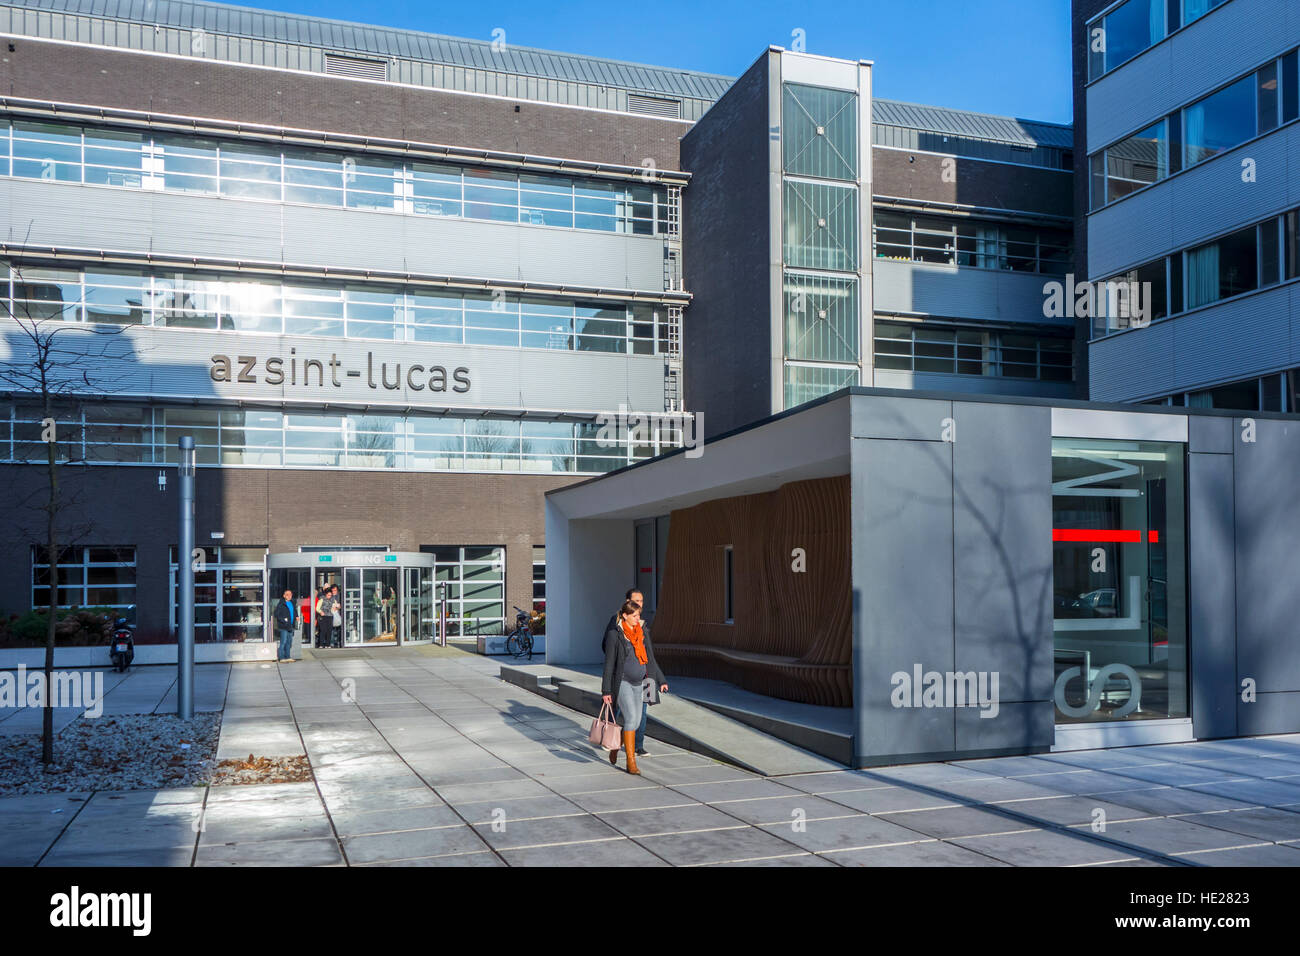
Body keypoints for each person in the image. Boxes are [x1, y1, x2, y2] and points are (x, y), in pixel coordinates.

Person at [601, 600, 667, 775]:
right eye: (635, 616)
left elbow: (651, 659)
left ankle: (616, 747)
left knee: (636, 722)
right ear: (625, 615)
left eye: (639, 615)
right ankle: (631, 762)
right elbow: (608, 665)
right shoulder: (615, 635)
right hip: (623, 682)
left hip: (643, 682)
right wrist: (606, 691)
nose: (638, 619)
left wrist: (661, 680)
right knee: (630, 718)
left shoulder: (643, 632)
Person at [602, 589, 652, 756]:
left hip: (644, 678)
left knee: (641, 713)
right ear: (627, 602)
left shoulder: (643, 626)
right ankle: (618, 747)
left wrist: (658, 678)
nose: (639, 603)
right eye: (636, 600)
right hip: (623, 678)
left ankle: (638, 744)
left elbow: (649, 655)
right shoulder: (615, 623)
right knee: (622, 711)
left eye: (642, 601)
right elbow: (608, 648)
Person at [273, 588, 296, 663]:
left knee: (289, 642)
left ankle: (288, 656)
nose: (289, 596)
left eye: (290, 594)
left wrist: (297, 616)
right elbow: (276, 614)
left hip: (290, 625)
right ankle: (281, 657)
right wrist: (284, 620)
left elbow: (294, 611)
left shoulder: (292, 602)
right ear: (284, 596)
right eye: (287, 595)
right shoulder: (281, 604)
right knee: (283, 642)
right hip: (283, 626)